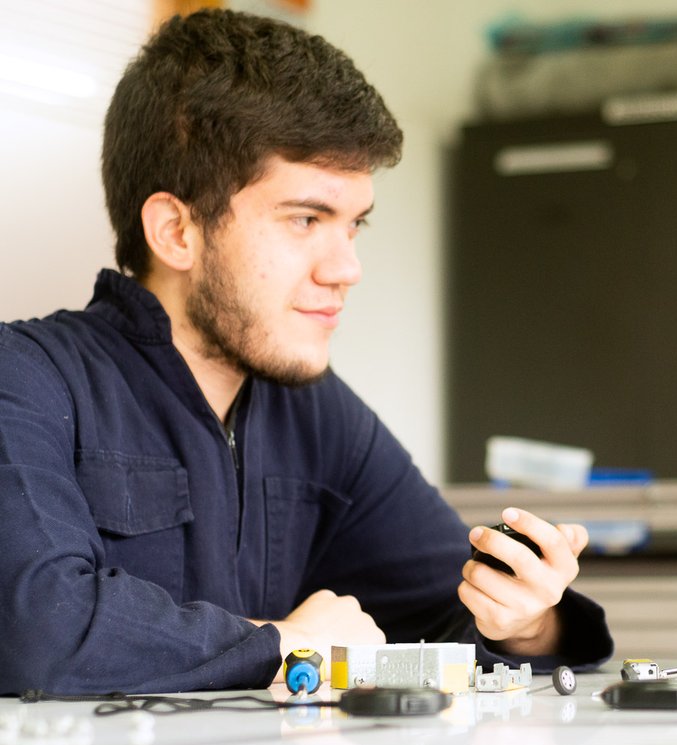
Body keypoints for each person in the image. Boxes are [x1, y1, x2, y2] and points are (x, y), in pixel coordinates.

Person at [0, 9, 612, 695]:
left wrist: (524, 621)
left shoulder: (316, 413)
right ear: (176, 232)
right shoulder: (24, 378)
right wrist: (288, 645)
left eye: (354, 225)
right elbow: (37, 634)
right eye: (305, 220)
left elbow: (449, 611)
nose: (345, 267)